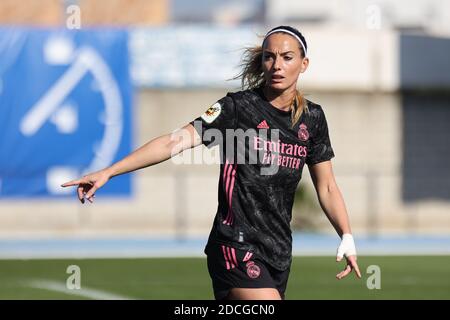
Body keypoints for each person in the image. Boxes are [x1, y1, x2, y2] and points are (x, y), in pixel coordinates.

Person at [62, 25, 361, 300]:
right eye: (269, 57)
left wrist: (346, 235)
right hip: (235, 242)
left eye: (287, 57)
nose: (277, 65)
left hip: (279, 248)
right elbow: (172, 141)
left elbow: (327, 186)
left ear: (303, 63)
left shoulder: (313, 118)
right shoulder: (237, 108)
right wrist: (109, 171)